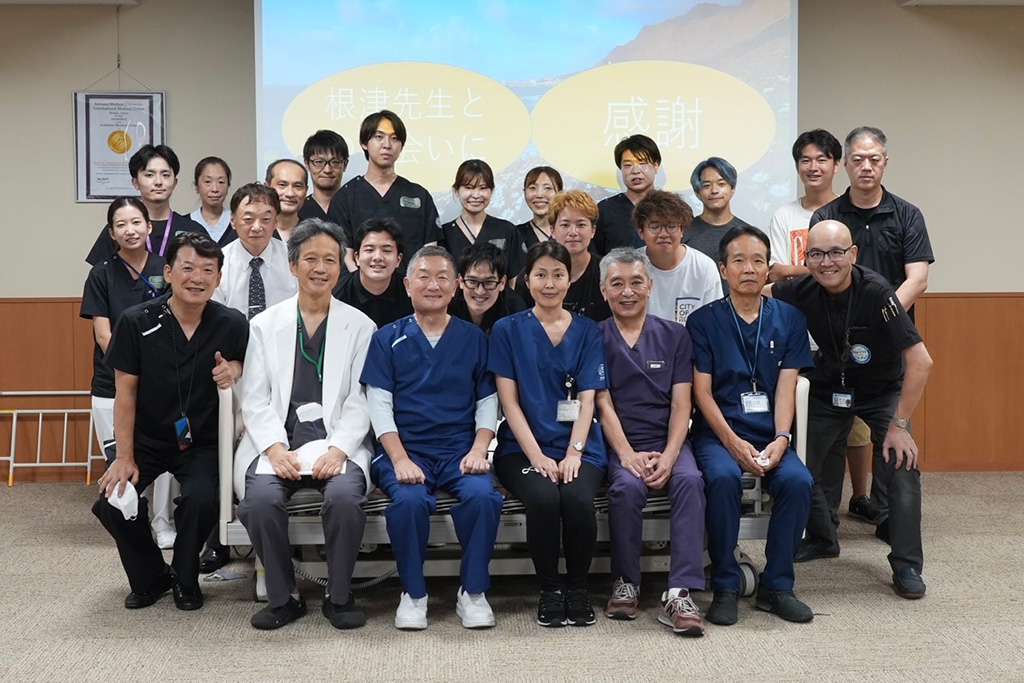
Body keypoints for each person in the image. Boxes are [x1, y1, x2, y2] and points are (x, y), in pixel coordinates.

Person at [770, 220, 932, 599]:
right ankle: (824, 538)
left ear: (853, 254)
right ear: (805, 258)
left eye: (836, 252)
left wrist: (900, 424)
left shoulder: (878, 293)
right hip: (828, 390)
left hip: (880, 392)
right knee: (797, 465)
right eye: (817, 254)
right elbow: (754, 293)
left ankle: (907, 564)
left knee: (901, 463)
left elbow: (921, 362)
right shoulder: (799, 290)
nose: (827, 262)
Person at [92, 232, 248, 611]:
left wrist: (235, 369)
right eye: (187, 267)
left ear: (219, 278)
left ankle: (185, 574)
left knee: (201, 500)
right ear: (169, 272)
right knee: (112, 502)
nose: (197, 277)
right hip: (145, 436)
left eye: (207, 270)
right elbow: (124, 394)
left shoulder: (232, 323)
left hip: (202, 440)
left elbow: (245, 366)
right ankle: (151, 576)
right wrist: (123, 456)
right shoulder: (135, 321)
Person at [234, 219, 376, 630]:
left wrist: (340, 449)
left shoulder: (360, 326)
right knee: (259, 502)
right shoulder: (264, 325)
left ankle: (340, 593)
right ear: (293, 265)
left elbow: (360, 398)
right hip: (279, 443)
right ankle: (284, 596)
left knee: (346, 499)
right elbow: (255, 397)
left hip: (336, 443)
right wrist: (275, 449)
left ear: (342, 266)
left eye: (329, 259)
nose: (320, 267)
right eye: (310, 258)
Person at [361, 246, 503, 630]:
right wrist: (400, 459)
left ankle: (472, 593)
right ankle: (414, 594)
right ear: (407, 284)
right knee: (407, 501)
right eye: (423, 276)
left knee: (483, 497)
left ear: (456, 286)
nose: (433, 284)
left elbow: (488, 402)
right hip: (406, 449)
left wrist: (478, 449)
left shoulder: (474, 338)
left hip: (459, 449)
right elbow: (379, 406)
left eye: (443, 276)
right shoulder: (387, 338)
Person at [686, 226, 815, 626]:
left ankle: (777, 586)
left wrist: (781, 438)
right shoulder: (703, 321)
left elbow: (787, 388)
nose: (749, 268)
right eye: (738, 260)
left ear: (768, 270)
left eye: (758, 260)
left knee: (798, 481)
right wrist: (733, 441)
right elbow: (702, 393)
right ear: (723, 269)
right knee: (722, 479)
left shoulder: (790, 318)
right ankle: (725, 583)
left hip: (770, 431)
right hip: (718, 435)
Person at [491, 241, 609, 628]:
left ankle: (577, 588)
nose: (549, 283)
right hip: (522, 449)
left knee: (576, 498)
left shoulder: (589, 331)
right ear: (527, 280)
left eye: (558, 274)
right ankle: (550, 589)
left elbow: (588, 400)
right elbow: (509, 404)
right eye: (540, 274)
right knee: (543, 498)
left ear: (569, 279)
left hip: (580, 446)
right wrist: (538, 457)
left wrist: (574, 453)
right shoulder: (507, 330)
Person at [768, 129, 880, 526]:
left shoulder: (847, 211)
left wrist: (809, 269)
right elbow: (777, 273)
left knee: (860, 430)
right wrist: (825, 268)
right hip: (806, 339)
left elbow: (799, 272)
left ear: (837, 164)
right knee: (818, 434)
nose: (813, 167)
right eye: (805, 160)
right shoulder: (784, 214)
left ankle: (863, 497)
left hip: (855, 336)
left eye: (822, 159)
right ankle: (820, 518)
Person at [595, 248, 707, 636]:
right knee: (625, 488)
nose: (628, 292)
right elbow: (601, 403)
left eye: (636, 282)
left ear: (650, 286)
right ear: (603, 290)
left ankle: (679, 590)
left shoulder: (675, 335)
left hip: (670, 438)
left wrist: (672, 453)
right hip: (620, 441)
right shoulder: (594, 336)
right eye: (617, 284)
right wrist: (626, 454)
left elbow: (682, 402)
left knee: (691, 481)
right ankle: (626, 580)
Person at [81, 197, 174, 548]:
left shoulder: (167, 268)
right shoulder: (101, 273)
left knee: (165, 456)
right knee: (119, 458)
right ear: (112, 232)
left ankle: (164, 521)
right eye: (121, 224)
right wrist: (135, 368)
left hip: (160, 384)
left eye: (136, 222)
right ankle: (130, 522)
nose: (130, 230)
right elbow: (104, 335)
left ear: (149, 227)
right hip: (111, 385)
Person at [811, 126, 934, 320]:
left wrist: (882, 317)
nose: (866, 167)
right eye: (858, 160)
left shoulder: (909, 214)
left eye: (874, 160)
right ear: (845, 163)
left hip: (894, 326)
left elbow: (917, 280)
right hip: (840, 324)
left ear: (885, 163)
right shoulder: (825, 217)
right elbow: (818, 272)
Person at [328, 110, 442, 271]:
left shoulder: (418, 195)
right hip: (357, 292)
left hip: (408, 291)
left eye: (394, 138)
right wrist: (362, 284)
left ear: (402, 145)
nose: (387, 145)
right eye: (379, 137)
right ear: (364, 142)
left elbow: (430, 249)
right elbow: (343, 251)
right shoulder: (345, 197)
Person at [85, 144, 205, 265]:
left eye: (165, 175)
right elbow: (100, 276)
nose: (158, 182)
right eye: (149, 175)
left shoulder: (193, 230)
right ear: (135, 182)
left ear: (175, 182)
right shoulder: (121, 229)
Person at [514, 190, 611, 322]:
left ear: (593, 231)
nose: (573, 232)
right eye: (565, 225)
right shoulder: (531, 276)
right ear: (552, 231)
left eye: (581, 225)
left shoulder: (608, 273)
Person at [634, 190, 722, 325]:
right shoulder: (631, 267)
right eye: (655, 227)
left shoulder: (704, 267)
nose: (663, 234)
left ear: (682, 230)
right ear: (641, 232)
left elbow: (713, 323)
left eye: (671, 226)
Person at [212, 183, 298, 320]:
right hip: (232, 338)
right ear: (233, 221)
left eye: (265, 220)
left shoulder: (293, 257)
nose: (257, 227)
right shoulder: (218, 261)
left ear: (275, 222)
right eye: (248, 219)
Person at [441, 159, 523, 276]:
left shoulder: (507, 230)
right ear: (457, 191)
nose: (476, 195)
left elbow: (515, 279)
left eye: (483, 188)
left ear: (492, 191)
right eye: (469, 188)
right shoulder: (444, 234)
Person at [332, 217, 413, 328]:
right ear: (357, 257)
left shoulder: (410, 295)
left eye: (387, 251)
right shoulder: (336, 295)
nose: (378, 257)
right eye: (369, 250)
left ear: (398, 259)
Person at [594, 134, 660, 254]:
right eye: (628, 165)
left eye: (642, 163)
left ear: (656, 165)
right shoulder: (605, 210)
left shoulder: (672, 209)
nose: (635, 171)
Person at [683, 157, 753, 264]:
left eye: (721, 184)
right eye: (706, 186)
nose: (714, 191)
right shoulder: (683, 233)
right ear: (698, 194)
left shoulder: (749, 235)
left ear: (732, 189)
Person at [449, 242, 526, 335]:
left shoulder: (515, 310)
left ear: (502, 282)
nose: (480, 291)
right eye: (472, 281)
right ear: (460, 281)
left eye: (489, 282)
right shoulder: (447, 306)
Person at [299, 129, 349, 221]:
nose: (327, 170)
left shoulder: (355, 208)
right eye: (319, 162)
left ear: (345, 165)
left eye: (335, 162)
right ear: (307, 164)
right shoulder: (298, 211)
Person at [189, 156, 236, 247]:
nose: (215, 189)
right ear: (196, 187)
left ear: (228, 186)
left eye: (221, 182)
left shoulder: (238, 223)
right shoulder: (185, 224)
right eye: (207, 182)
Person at [515, 166, 563, 252]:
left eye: (547, 188)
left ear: (560, 193)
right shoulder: (516, 234)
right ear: (524, 192)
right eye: (532, 188)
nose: (539, 195)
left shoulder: (571, 232)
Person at [265, 159, 308, 242]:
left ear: (306, 190)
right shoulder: (251, 232)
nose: (290, 194)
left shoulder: (314, 234)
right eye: (282, 185)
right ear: (267, 187)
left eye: (297, 186)